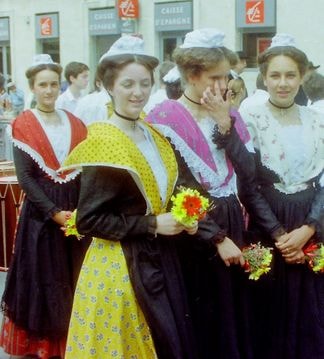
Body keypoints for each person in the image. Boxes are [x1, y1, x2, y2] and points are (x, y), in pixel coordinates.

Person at [61, 35, 199, 359]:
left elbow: (171, 191)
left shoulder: (152, 135)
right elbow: (89, 219)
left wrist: (186, 216)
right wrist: (152, 224)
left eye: (144, 83)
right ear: (108, 86)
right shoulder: (105, 141)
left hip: (160, 258)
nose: (138, 93)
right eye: (127, 84)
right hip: (120, 268)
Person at [146, 28, 256, 359]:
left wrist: (225, 124)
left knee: (232, 312)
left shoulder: (231, 114)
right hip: (193, 230)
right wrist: (217, 237)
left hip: (232, 219)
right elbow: (178, 187)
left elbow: (250, 172)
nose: (224, 85)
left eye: (227, 77)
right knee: (201, 312)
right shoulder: (163, 118)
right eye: (216, 77)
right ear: (193, 75)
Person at [239, 33, 324, 359]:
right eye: (275, 75)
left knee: (311, 313)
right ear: (264, 77)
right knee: (270, 311)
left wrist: (310, 228)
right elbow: (248, 185)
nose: (283, 83)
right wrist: (279, 234)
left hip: (310, 220)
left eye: (291, 75)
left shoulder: (317, 120)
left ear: (303, 76)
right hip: (269, 222)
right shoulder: (251, 118)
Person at [0, 54, 90, 359]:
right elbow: (26, 178)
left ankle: (71, 343)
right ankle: (42, 348)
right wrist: (53, 213)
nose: (49, 90)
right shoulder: (23, 125)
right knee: (44, 279)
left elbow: (84, 169)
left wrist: (79, 212)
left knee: (73, 276)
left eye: (53, 84)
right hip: (42, 216)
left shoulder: (75, 122)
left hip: (74, 213)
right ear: (32, 88)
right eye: (43, 85)